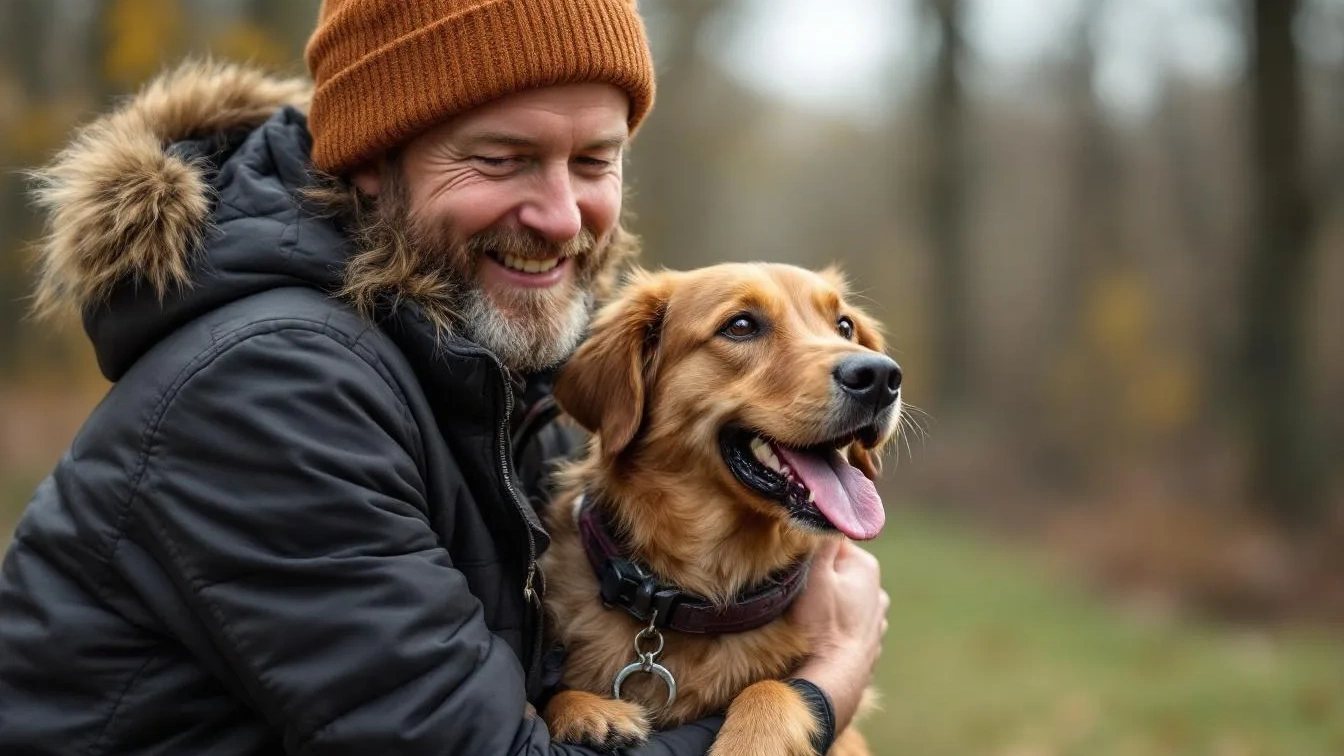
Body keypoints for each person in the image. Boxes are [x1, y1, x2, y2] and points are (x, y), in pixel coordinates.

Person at [0, 1, 889, 754]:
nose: (559, 216)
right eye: (500, 159)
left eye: (593, 162)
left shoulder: (495, 364)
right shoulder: (268, 389)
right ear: (370, 161)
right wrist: (824, 686)